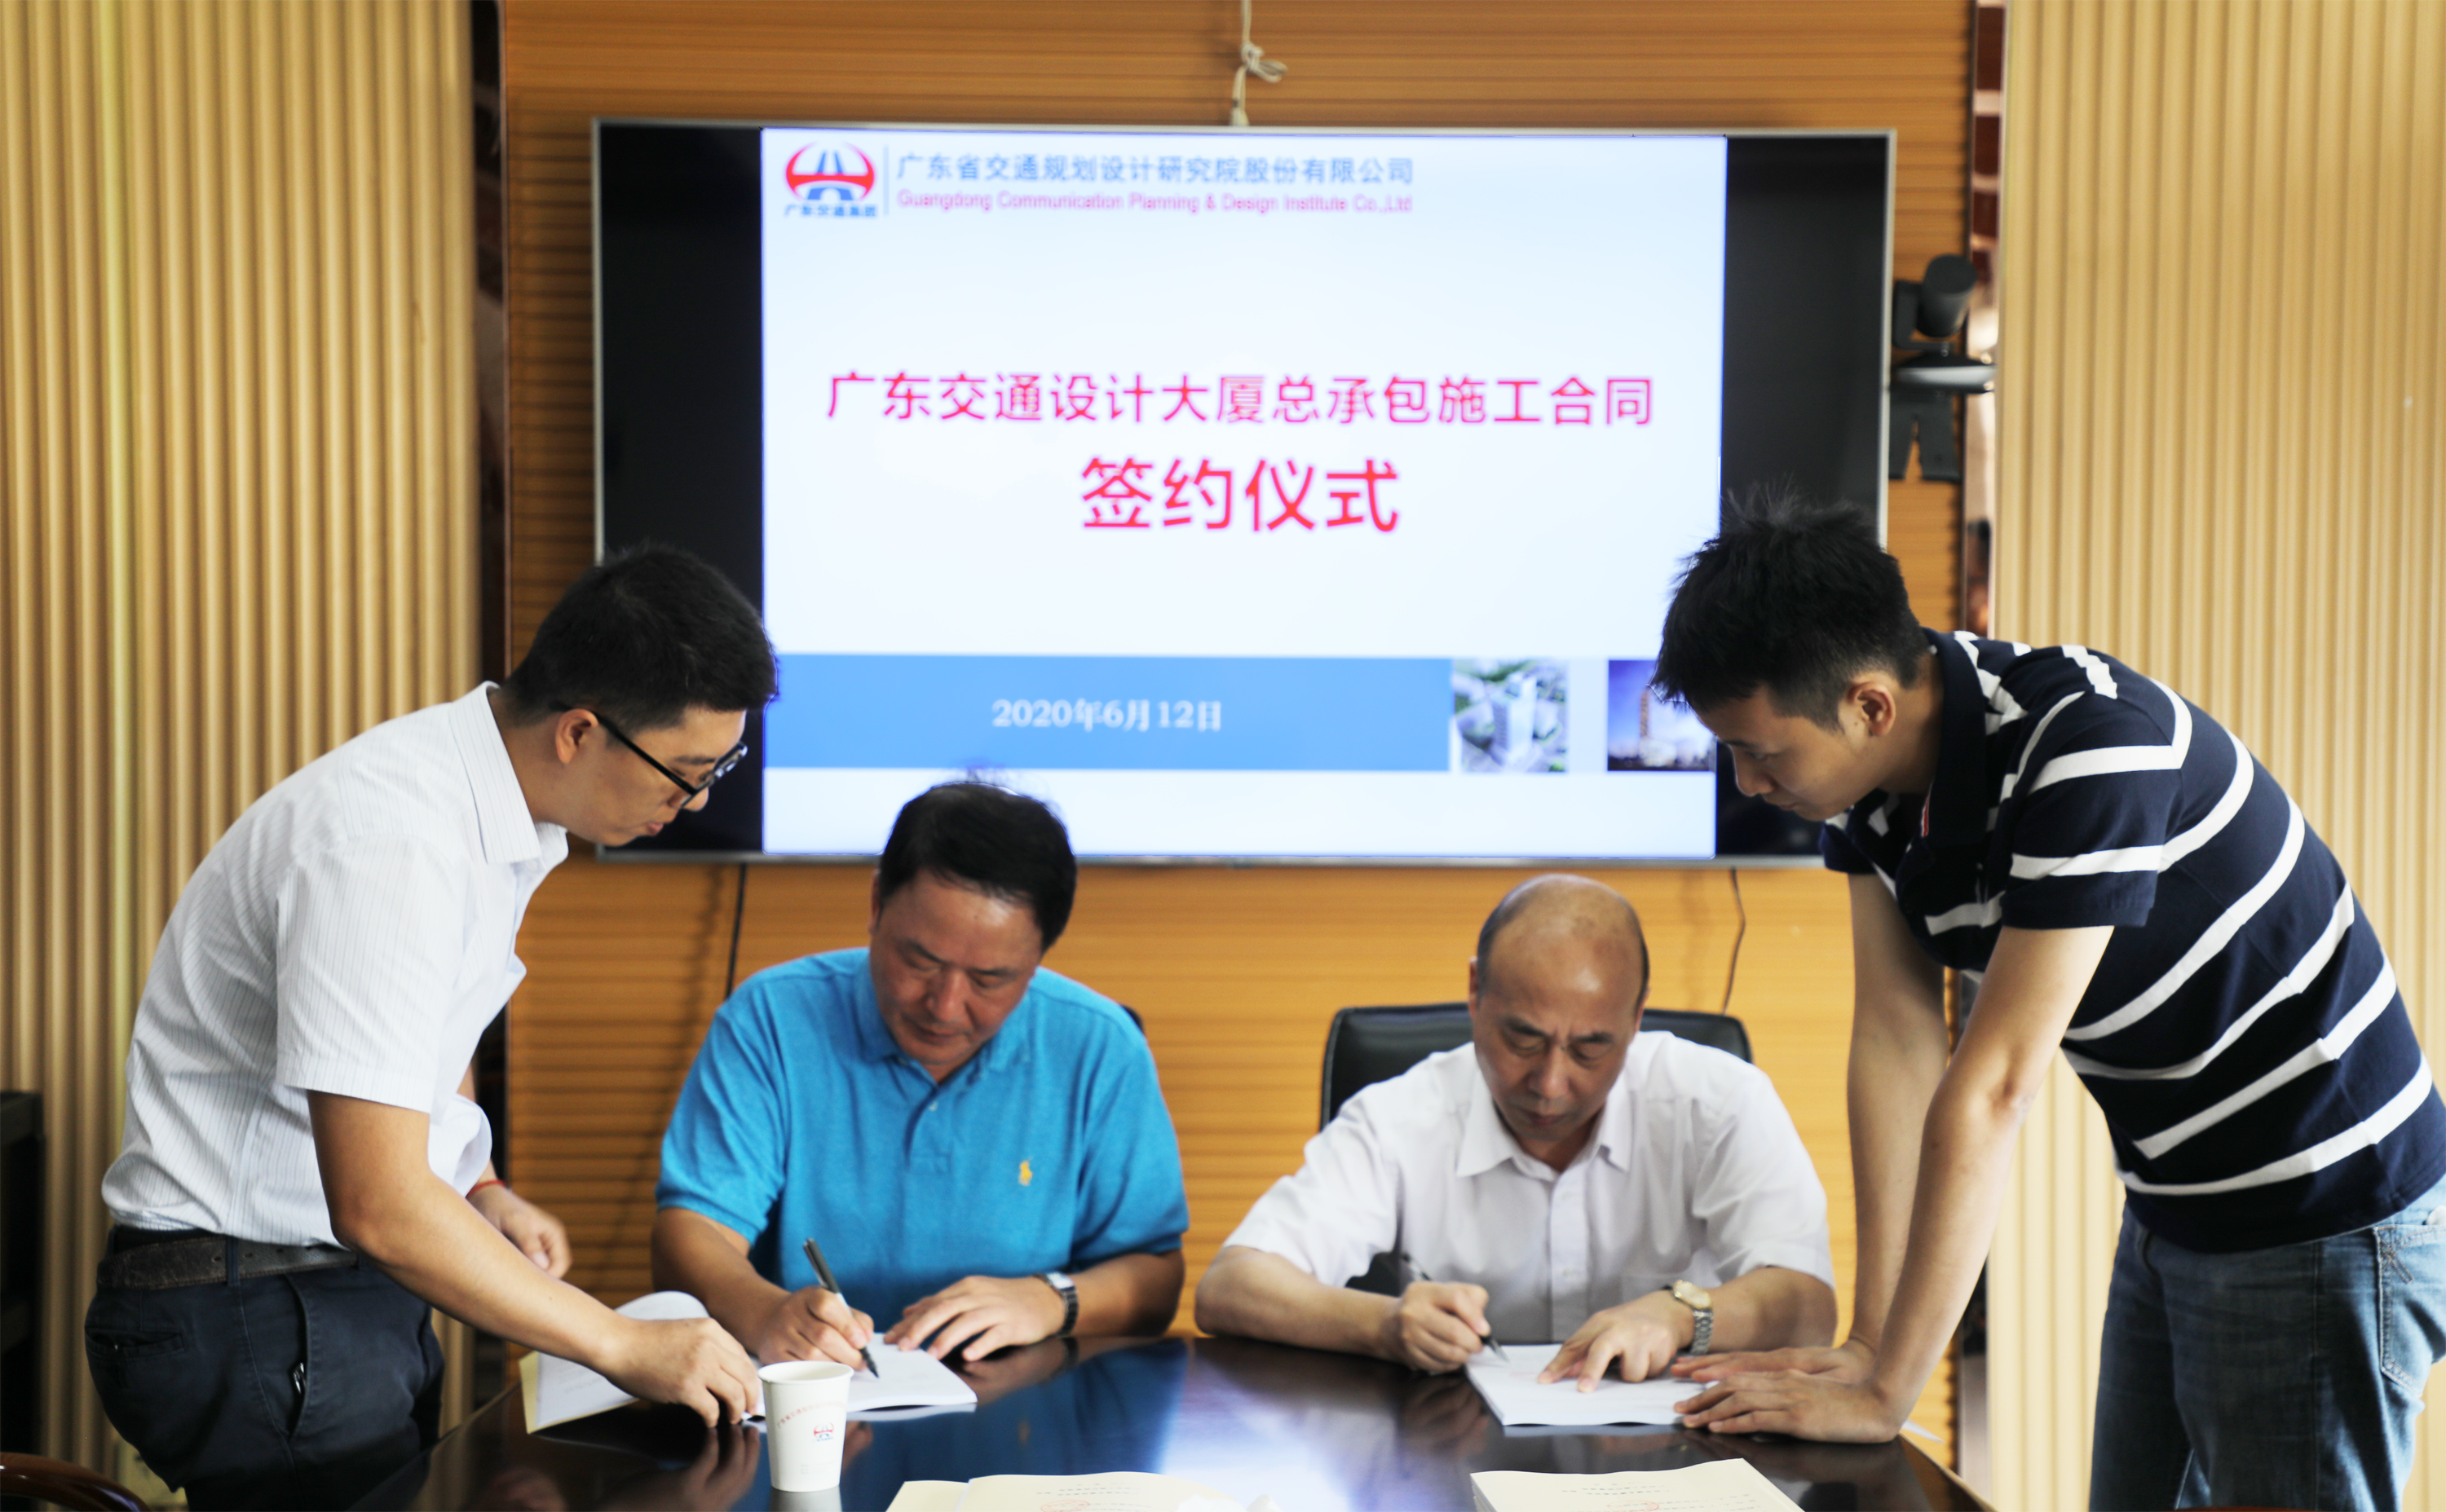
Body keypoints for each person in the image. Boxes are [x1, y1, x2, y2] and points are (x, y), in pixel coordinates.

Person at [1654, 494, 2446, 1511]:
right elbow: (1897, 1042)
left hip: (2323, 1209)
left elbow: (1994, 1085)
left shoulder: (2090, 744)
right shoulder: (1868, 794)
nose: (1747, 782)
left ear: (1870, 706)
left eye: (1763, 751)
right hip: (2175, 1200)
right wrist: (1868, 1344)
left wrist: (1890, 1392)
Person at [86, 545, 779, 1510]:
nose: (697, 800)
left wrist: (478, 1182)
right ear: (581, 732)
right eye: (687, 771)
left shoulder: (480, 807)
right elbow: (376, 1203)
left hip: (312, 1294)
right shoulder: (393, 843)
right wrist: (620, 1342)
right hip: (256, 1301)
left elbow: (410, 1036)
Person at [1194, 875, 1837, 1388]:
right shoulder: (1401, 1115)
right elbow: (1230, 1285)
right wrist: (1383, 1322)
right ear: (1476, 991)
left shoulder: (1718, 1102)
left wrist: (1679, 1312)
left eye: (1590, 1048)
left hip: (1673, 1461)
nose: (1551, 1083)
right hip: (1453, 1457)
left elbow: (1810, 1308)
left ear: (1636, 1017)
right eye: (1523, 1039)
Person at [651, 781, 1189, 1370]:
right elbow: (692, 1233)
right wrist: (766, 1313)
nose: (945, 1005)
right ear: (876, 903)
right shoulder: (771, 1019)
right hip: (820, 1396)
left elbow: (1155, 1276)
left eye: (988, 979)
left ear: (1039, 957)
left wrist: (1051, 1300)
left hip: (1025, 1404)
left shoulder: (1100, 1045)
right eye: (920, 961)